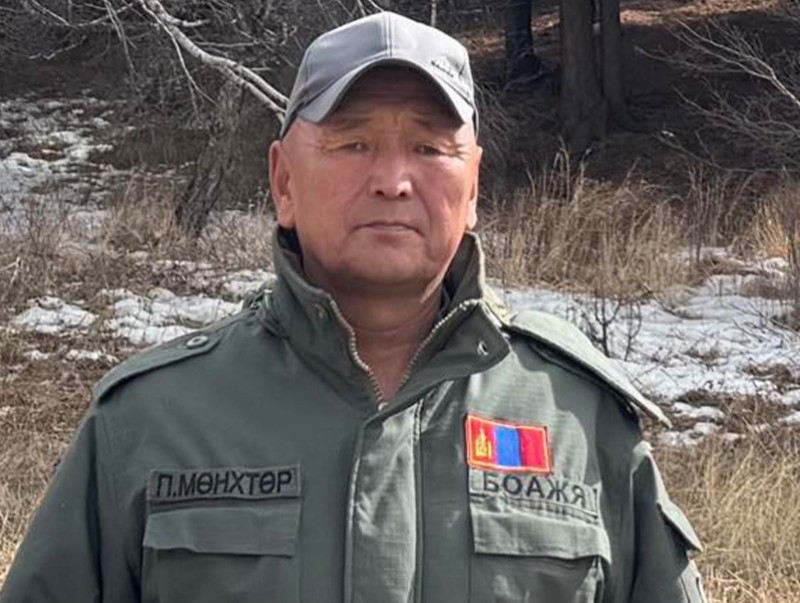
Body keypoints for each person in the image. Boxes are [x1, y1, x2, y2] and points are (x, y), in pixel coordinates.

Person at [0, 11, 707, 603]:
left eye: (428, 146)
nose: (393, 180)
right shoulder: (151, 421)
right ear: (283, 181)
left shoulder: (580, 418)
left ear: (473, 189)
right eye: (353, 142)